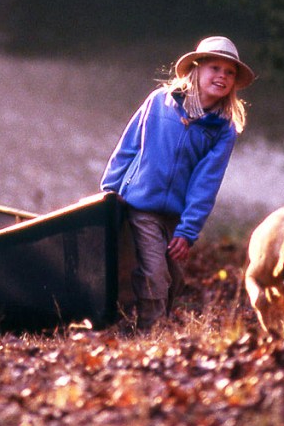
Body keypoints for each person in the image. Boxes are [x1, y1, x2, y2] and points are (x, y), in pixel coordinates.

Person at [101, 35, 255, 332]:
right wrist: (109, 189)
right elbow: (128, 146)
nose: (222, 76)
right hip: (140, 205)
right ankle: (150, 334)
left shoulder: (223, 129)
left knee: (174, 278)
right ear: (196, 69)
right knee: (154, 275)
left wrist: (187, 230)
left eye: (229, 72)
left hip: (177, 215)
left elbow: (206, 183)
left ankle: (153, 323)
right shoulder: (159, 102)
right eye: (215, 68)